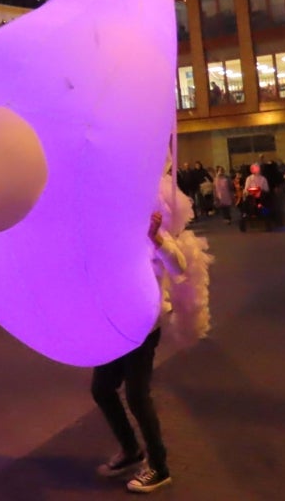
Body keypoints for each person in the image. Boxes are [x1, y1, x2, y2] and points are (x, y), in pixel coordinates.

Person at [93, 175, 209, 495]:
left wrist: (157, 239)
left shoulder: (151, 230)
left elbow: (179, 265)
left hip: (145, 323)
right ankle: (131, 451)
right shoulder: (107, 232)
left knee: (136, 394)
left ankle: (159, 467)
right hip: (115, 324)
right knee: (102, 388)